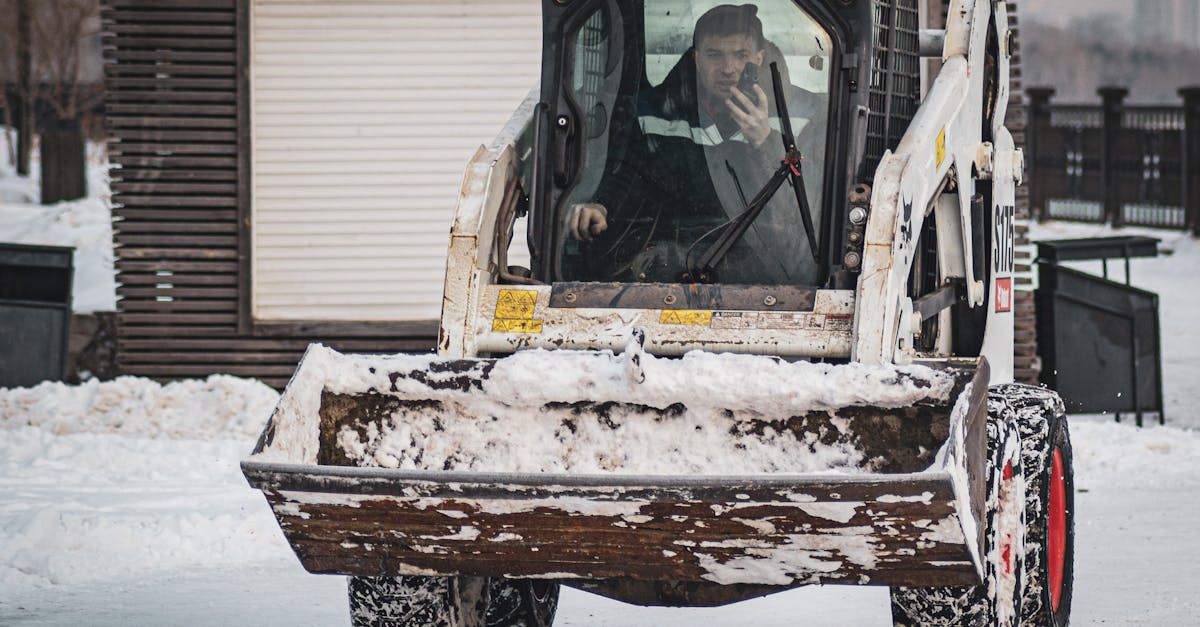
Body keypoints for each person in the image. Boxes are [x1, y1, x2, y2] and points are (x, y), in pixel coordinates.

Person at [564, 3, 826, 285]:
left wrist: (764, 141)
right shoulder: (656, 112)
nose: (728, 68)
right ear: (696, 59)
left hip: (769, 268)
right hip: (675, 265)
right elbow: (629, 171)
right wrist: (602, 205)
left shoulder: (804, 114)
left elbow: (809, 205)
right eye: (715, 55)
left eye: (741, 55)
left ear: (759, 58)